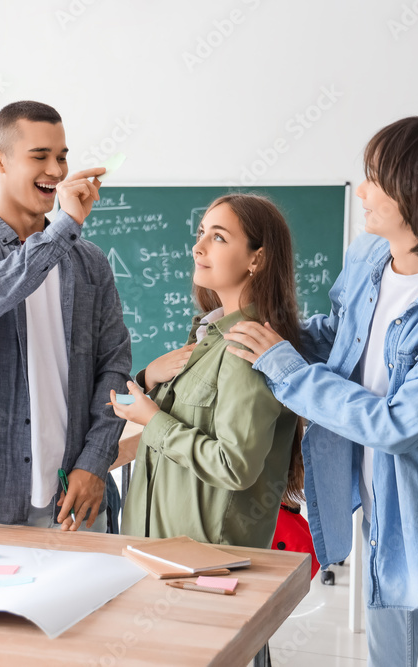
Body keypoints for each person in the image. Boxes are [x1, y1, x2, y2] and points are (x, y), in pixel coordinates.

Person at [227, 117, 418, 666]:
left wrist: (284, 366)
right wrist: (268, 327)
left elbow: (396, 425)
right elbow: (339, 336)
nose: (362, 191)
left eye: (376, 179)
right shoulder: (369, 257)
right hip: (386, 516)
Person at [0, 101, 131, 531]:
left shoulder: (90, 263)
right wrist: (63, 229)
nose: (57, 170)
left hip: (76, 501)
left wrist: (95, 462)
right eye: (40, 156)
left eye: (62, 156)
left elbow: (114, 366)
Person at [111, 194, 303, 548]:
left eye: (217, 237)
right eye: (200, 234)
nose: (198, 248)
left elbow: (234, 465)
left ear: (256, 258)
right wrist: (147, 378)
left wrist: (154, 421)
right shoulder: (209, 337)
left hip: (203, 561)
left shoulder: (246, 345)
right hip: (160, 550)